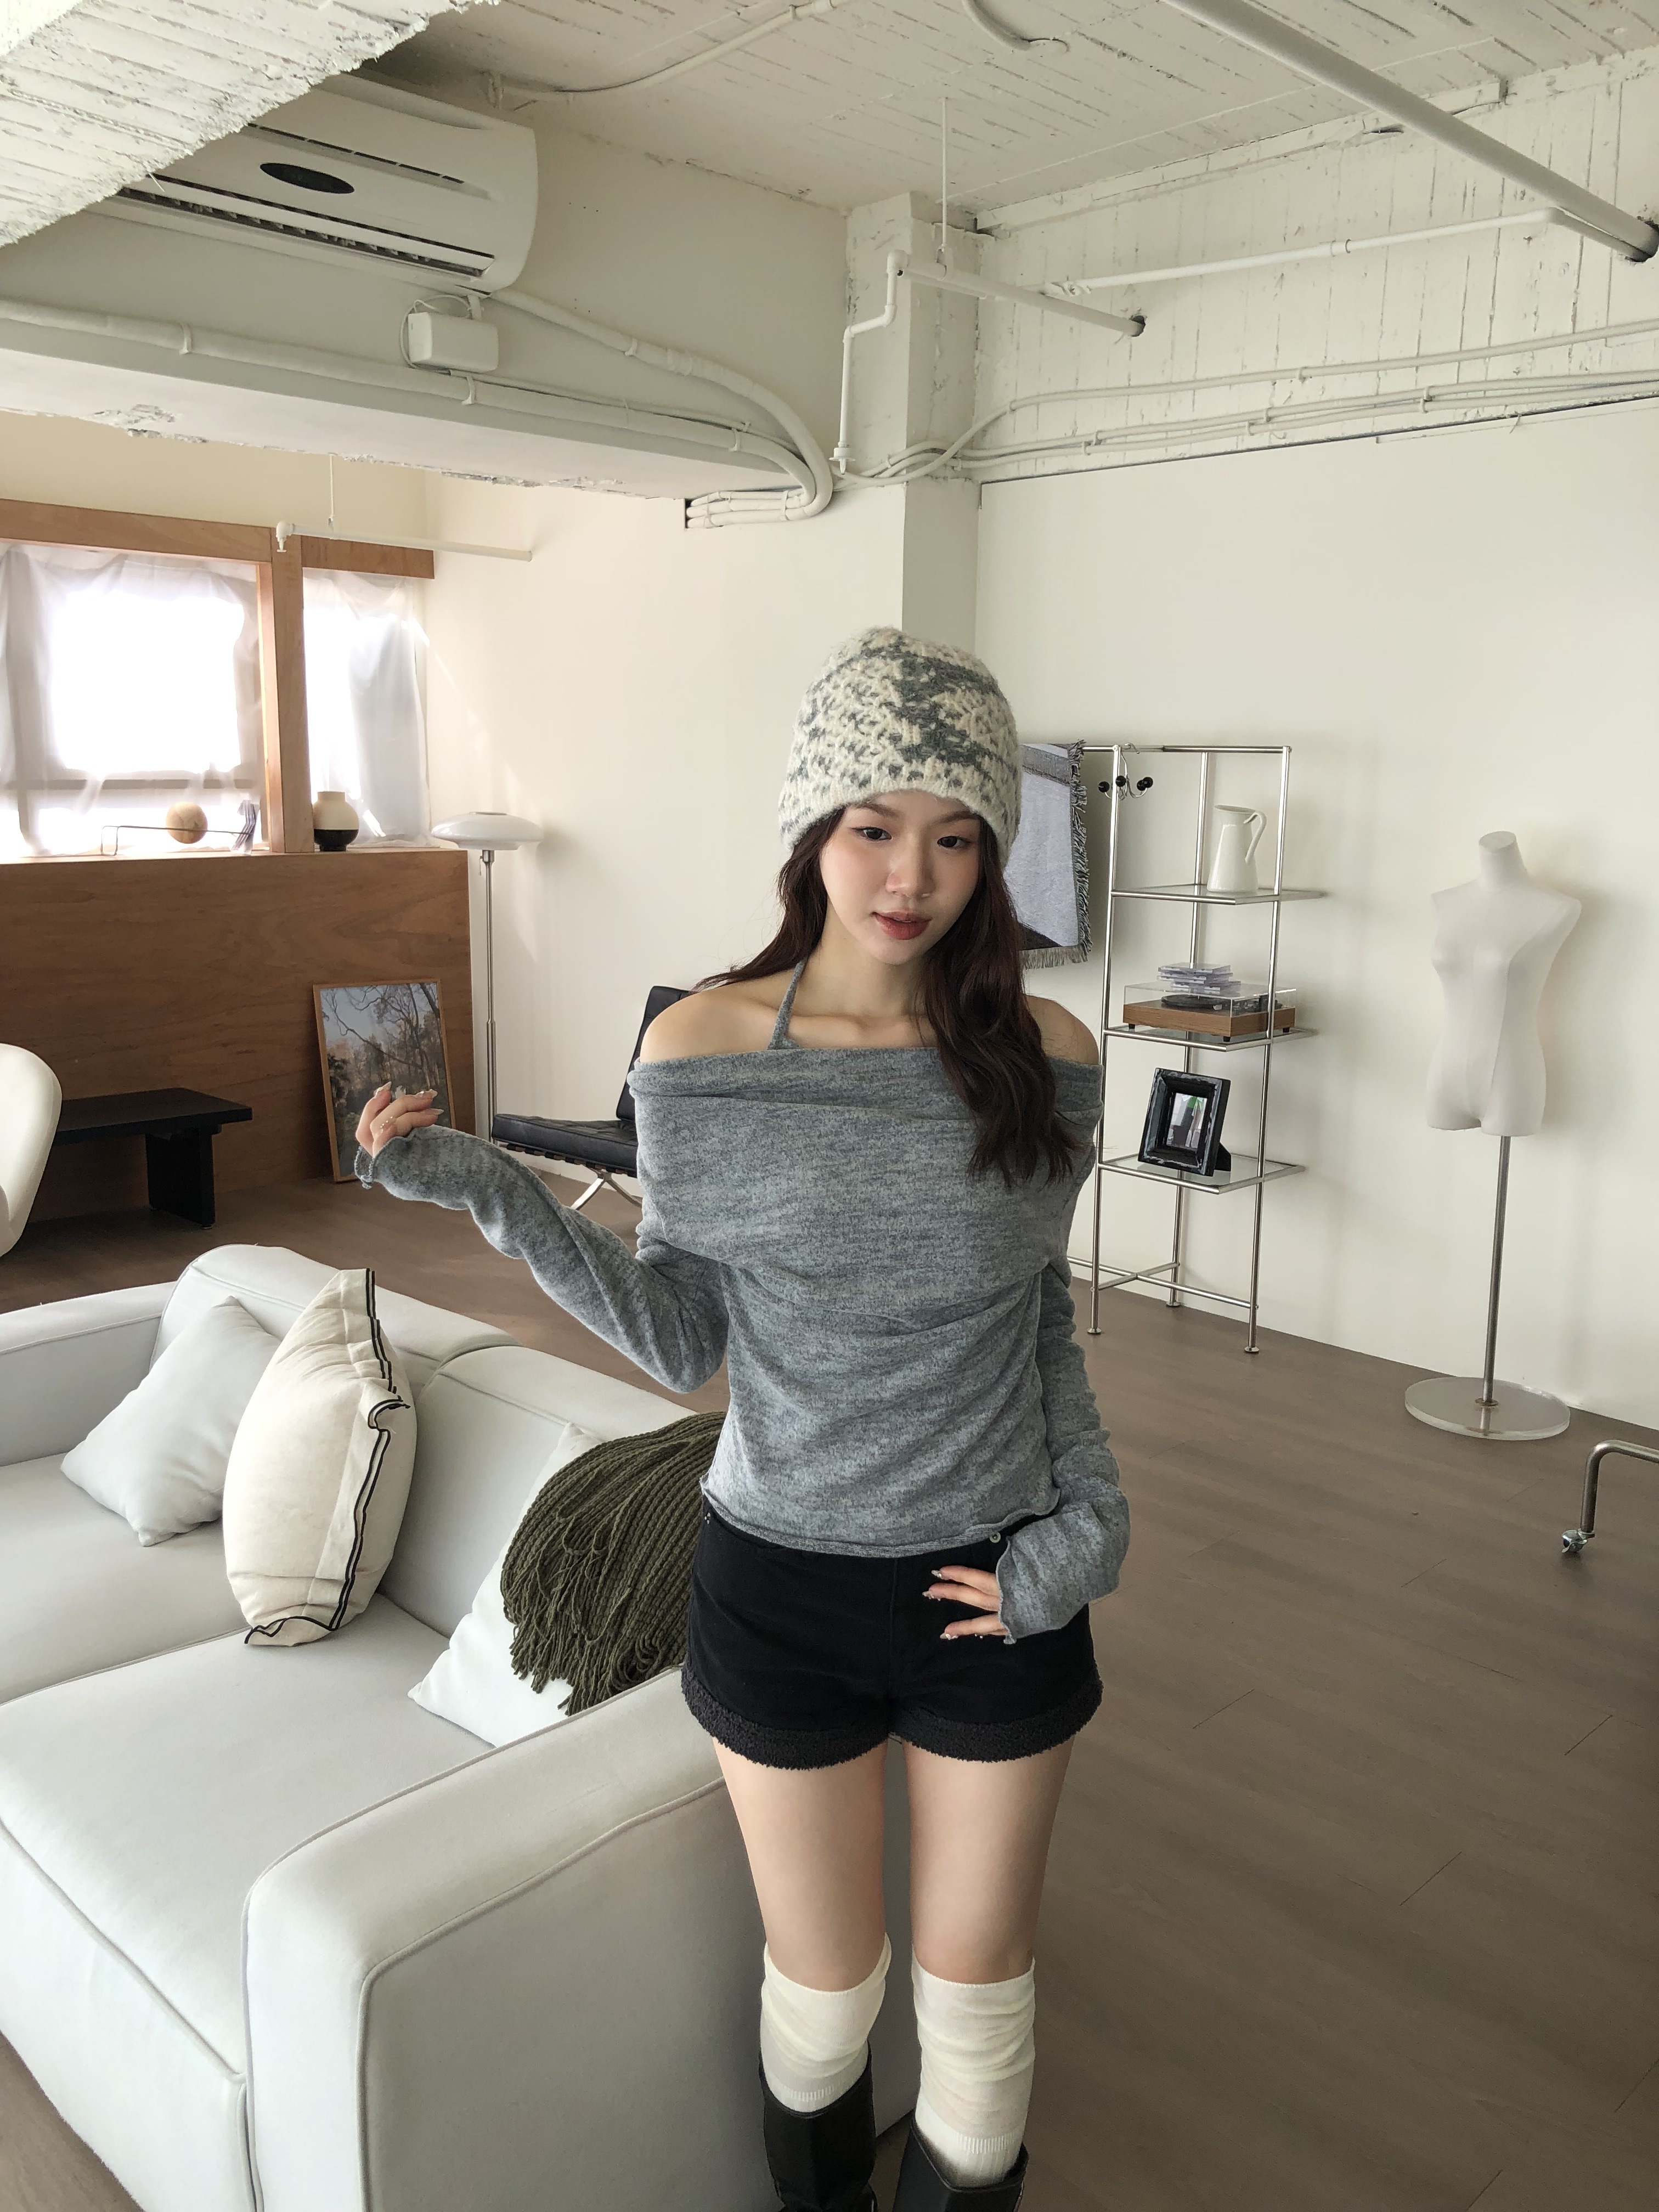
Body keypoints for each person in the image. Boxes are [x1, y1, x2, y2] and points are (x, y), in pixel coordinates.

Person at [354, 627, 1131, 2211]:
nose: (910, 876)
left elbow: (1036, 1314)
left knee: (978, 2011)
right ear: (813, 830)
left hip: (995, 1586)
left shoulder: (1046, 1059)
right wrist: (493, 1189)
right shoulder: (702, 1050)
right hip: (780, 1585)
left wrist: (1090, 1524)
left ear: (993, 855)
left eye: (956, 837)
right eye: (874, 826)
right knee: (828, 1994)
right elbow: (682, 1334)